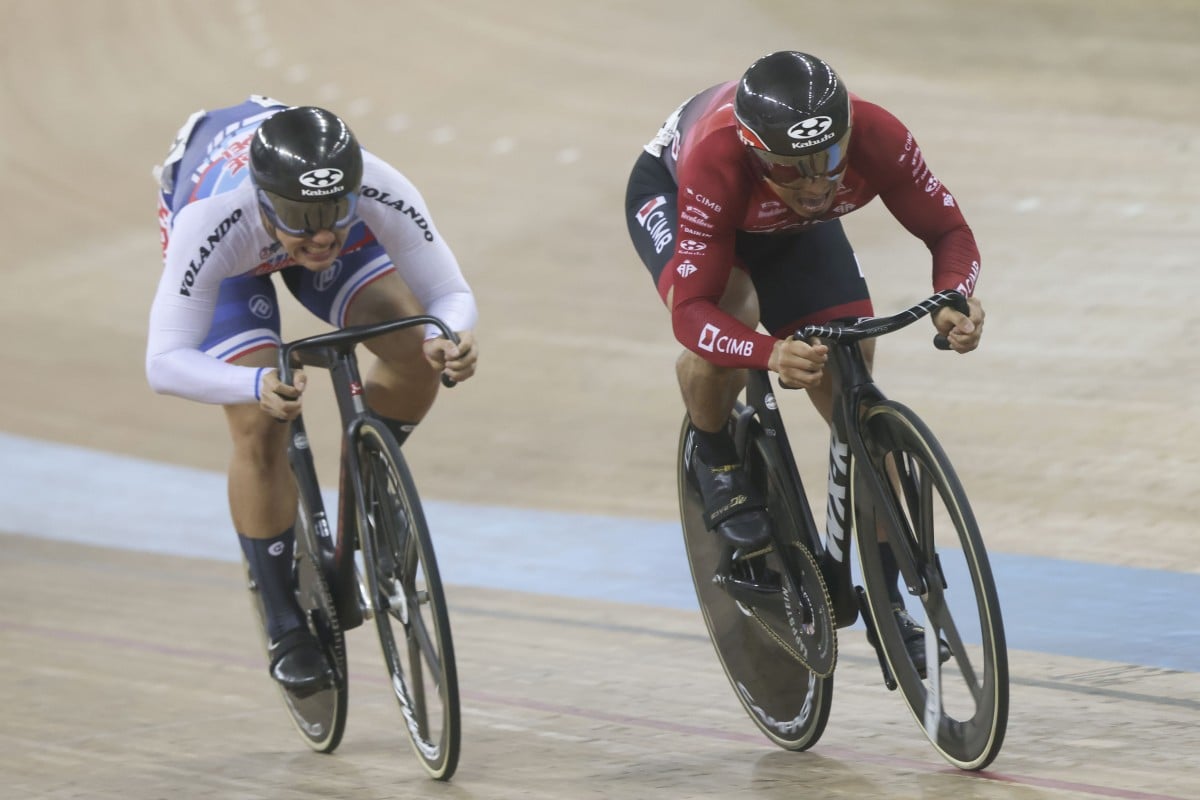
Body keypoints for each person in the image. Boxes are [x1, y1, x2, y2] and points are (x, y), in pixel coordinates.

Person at [624, 51, 983, 672]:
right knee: (729, 318)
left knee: (852, 386)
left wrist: (953, 297)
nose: (817, 183)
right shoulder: (719, 159)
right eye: (794, 169)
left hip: (785, 228)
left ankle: (887, 595)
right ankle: (719, 458)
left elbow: (950, 233)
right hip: (686, 200)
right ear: (758, 152)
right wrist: (766, 353)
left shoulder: (878, 136)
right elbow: (693, 312)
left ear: (848, 134)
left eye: (830, 161)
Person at [147, 96, 479, 696]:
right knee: (260, 424)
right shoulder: (213, 220)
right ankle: (285, 624)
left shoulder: (376, 184)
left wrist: (444, 338)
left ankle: (370, 483)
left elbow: (449, 293)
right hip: (231, 255)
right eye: (302, 217)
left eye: (335, 210)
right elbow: (165, 363)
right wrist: (252, 384)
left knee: (411, 346)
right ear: (266, 201)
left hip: (275, 222)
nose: (321, 233)